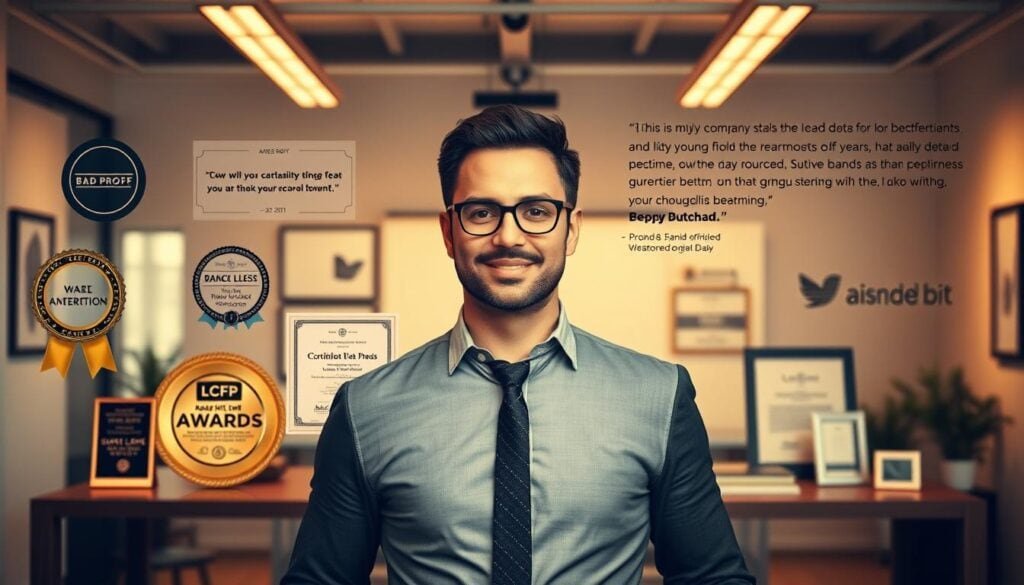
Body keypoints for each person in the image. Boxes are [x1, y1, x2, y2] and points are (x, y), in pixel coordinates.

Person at [282, 105, 754, 585]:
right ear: (449, 232)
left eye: (536, 212)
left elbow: (713, 578)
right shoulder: (366, 407)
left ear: (570, 229)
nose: (509, 237)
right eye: (481, 212)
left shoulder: (658, 396)